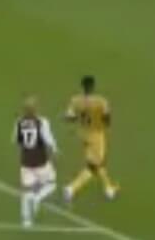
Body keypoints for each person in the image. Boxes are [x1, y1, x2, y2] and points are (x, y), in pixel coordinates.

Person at [62, 75, 119, 201]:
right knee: (95, 166)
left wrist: (75, 118)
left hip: (83, 134)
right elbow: (107, 117)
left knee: (97, 164)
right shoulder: (101, 101)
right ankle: (71, 188)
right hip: (96, 135)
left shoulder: (75, 100)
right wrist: (105, 124)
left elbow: (69, 117)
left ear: (82, 87)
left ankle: (108, 189)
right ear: (93, 86)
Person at [13, 96, 57, 228]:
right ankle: (37, 198)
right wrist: (54, 151)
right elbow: (49, 140)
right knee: (51, 184)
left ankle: (26, 221)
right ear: (36, 109)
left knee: (27, 191)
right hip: (41, 161)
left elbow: (17, 141)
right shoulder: (42, 122)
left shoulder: (19, 122)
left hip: (26, 162)